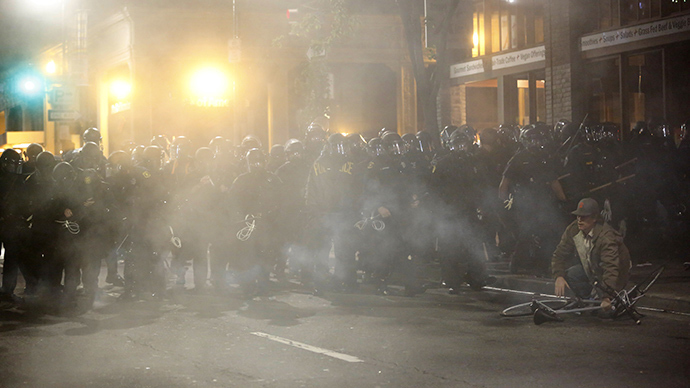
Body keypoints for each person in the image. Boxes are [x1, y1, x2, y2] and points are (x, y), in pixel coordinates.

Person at [551, 198, 631, 311]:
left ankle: (610, 298)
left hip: (613, 276)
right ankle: (591, 300)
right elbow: (559, 254)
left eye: (584, 217)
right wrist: (559, 276)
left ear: (594, 218)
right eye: (578, 216)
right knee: (571, 274)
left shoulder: (606, 237)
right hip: (593, 270)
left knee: (606, 313)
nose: (579, 220)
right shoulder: (573, 230)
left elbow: (611, 267)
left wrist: (606, 297)